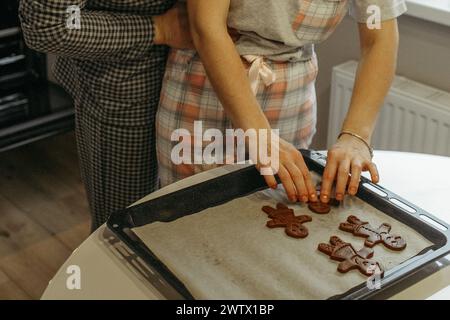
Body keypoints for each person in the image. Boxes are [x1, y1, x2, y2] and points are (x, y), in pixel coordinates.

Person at [157, 0, 406, 203]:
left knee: (276, 210)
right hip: (206, 88)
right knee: (191, 212)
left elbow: (378, 39)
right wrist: (260, 135)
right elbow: (207, 27)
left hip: (290, 97)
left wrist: (356, 135)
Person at [19, 0, 193, 230]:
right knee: (126, 230)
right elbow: (49, 26)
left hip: (207, 79)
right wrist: (158, 28)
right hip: (129, 88)